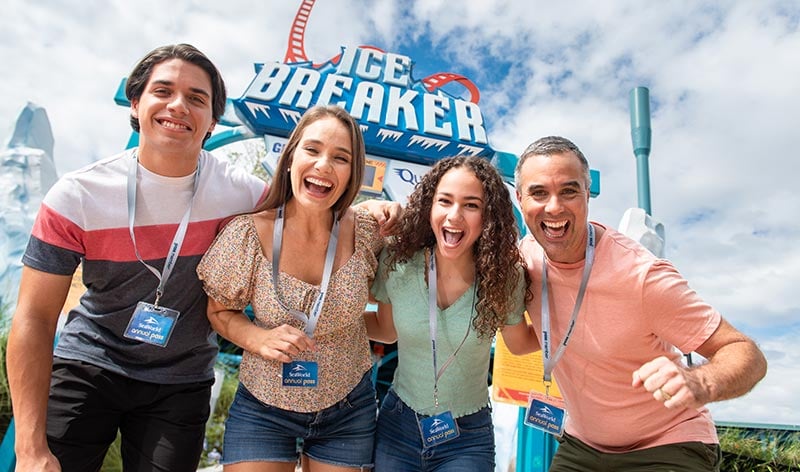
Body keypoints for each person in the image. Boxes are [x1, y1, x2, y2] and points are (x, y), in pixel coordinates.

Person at [5, 44, 268, 471]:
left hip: (181, 380)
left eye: (197, 98)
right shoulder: (77, 195)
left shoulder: (245, 195)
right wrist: (30, 450)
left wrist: (372, 211)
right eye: (163, 90)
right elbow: (34, 317)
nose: (178, 105)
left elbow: (312, 214)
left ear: (212, 121)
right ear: (136, 102)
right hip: (90, 360)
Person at [506, 135, 768, 471]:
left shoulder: (642, 276)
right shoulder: (523, 260)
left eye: (569, 191)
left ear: (587, 194)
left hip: (667, 442)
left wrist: (701, 382)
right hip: (583, 445)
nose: (554, 207)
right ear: (520, 198)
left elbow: (746, 353)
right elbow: (524, 341)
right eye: (539, 193)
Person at [197, 105, 387, 471]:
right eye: (312, 150)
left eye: (341, 158)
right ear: (290, 158)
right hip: (263, 408)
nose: (323, 165)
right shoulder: (247, 233)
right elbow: (218, 311)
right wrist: (256, 338)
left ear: (353, 174)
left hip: (348, 409)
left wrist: (392, 208)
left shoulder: (366, 232)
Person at [364, 155, 530, 471]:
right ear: (429, 206)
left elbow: (520, 343)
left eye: (471, 205)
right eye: (445, 201)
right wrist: (331, 322)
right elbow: (386, 330)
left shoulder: (506, 278)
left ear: (488, 215)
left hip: (467, 435)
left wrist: (576, 326)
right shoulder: (398, 262)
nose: (454, 215)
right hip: (398, 424)